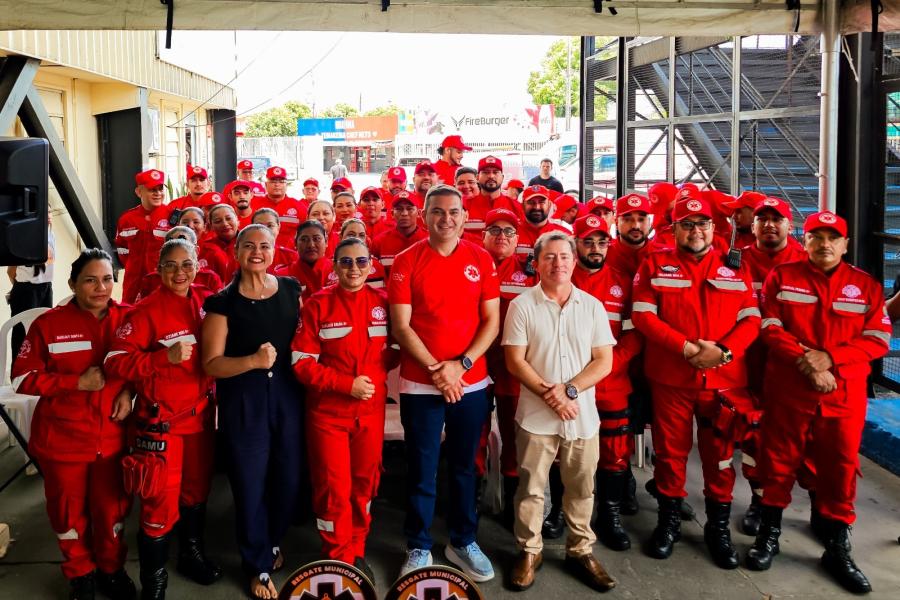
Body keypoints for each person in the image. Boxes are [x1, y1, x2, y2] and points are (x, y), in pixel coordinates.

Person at [746, 211, 890, 595]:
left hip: (842, 394)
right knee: (776, 461)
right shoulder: (783, 277)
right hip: (789, 389)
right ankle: (769, 535)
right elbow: (769, 326)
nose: (824, 244)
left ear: (845, 244)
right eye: (816, 237)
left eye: (833, 238)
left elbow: (878, 338)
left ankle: (838, 546)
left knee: (840, 466)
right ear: (804, 240)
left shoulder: (866, 287)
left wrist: (831, 358)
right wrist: (806, 362)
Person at [631, 194, 760, 569]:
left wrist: (724, 352)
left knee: (719, 458)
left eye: (702, 224)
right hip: (671, 378)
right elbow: (643, 316)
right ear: (673, 230)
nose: (696, 231)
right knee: (670, 454)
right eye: (687, 225)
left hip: (723, 381)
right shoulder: (654, 264)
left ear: (712, 228)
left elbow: (751, 319)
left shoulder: (734, 267)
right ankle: (668, 521)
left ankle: (717, 529)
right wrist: (687, 348)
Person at [388, 184, 500, 581]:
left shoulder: (481, 258)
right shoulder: (406, 260)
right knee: (423, 466)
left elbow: (491, 322)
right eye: (437, 211)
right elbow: (401, 326)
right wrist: (440, 368)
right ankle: (418, 545)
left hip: (470, 383)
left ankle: (463, 540)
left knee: (465, 466)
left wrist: (461, 365)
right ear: (424, 216)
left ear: (465, 216)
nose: (446, 219)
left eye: (454, 212)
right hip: (421, 383)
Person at [11, 249, 135, 600]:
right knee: (67, 515)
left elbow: (141, 366)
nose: (101, 287)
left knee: (112, 511)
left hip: (111, 439)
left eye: (108, 279)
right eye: (91, 280)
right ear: (72, 283)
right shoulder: (48, 324)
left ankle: (111, 569)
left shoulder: (129, 319)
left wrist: (129, 392)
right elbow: (21, 379)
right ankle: (80, 572)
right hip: (62, 441)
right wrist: (75, 383)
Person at [105, 239, 221, 599]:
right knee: (159, 503)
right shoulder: (145, 311)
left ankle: (190, 553)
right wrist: (159, 359)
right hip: (161, 425)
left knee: (196, 493)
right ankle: (154, 580)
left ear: (198, 266)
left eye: (186, 264)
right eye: (170, 265)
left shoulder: (208, 302)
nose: (179, 272)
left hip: (201, 421)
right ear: (158, 269)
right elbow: (114, 361)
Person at [503, 231, 616, 592]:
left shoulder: (593, 306)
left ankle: (580, 549)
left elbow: (604, 360)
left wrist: (568, 390)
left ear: (574, 260)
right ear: (536, 262)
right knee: (532, 488)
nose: (558, 263)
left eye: (564, 257)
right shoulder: (522, 306)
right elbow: (515, 361)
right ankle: (529, 550)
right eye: (549, 257)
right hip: (536, 416)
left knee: (582, 487)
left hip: (581, 416)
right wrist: (551, 395)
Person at [201, 225, 305, 600]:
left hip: (289, 398)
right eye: (249, 246)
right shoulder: (221, 303)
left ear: (275, 250)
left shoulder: (292, 290)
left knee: (289, 477)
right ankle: (256, 565)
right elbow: (211, 363)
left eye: (265, 246)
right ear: (237, 251)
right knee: (249, 482)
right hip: (244, 401)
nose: (257, 252)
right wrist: (252, 361)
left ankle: (272, 541)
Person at [291, 237, 399, 584]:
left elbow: (395, 349)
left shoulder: (383, 303)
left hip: (370, 415)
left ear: (371, 265)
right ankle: (337, 558)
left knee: (365, 485)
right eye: (346, 262)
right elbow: (301, 362)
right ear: (334, 266)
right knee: (332, 488)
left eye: (361, 261)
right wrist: (345, 384)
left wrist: (374, 380)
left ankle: (356, 548)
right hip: (327, 415)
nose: (354, 268)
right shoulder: (317, 305)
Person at [568, 215, 642, 552]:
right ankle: (560, 512)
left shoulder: (623, 281)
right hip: (568, 383)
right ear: (576, 244)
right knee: (565, 451)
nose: (595, 249)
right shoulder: (561, 278)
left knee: (614, 453)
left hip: (612, 382)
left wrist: (610, 364)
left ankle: (609, 516)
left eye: (601, 242)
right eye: (588, 242)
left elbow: (634, 332)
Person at [735, 197, 807, 537]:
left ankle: (824, 509)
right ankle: (760, 501)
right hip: (752, 363)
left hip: (796, 366)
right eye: (762, 218)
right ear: (752, 226)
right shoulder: (738, 262)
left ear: (789, 225)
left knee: (809, 440)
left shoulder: (807, 261)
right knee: (755, 436)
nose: (768, 224)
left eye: (776, 219)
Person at [480, 208, 537, 528]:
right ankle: (473, 493)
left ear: (518, 240)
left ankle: (515, 499)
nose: (502, 237)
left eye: (509, 232)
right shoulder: (470, 265)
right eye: (495, 230)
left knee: (515, 434)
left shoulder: (531, 272)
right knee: (474, 432)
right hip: (473, 364)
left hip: (514, 369)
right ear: (483, 235)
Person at [115, 169, 172, 304]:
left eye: (160, 189)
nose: (158, 194)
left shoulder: (173, 217)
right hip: (134, 284)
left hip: (162, 281)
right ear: (139, 192)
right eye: (152, 190)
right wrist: (134, 267)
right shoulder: (126, 219)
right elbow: (122, 250)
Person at [7, 214, 54, 362]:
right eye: (44, 212)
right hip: (26, 289)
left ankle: (39, 369)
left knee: (43, 331)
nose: (48, 216)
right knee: (22, 333)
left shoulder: (50, 234)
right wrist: (20, 289)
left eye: (50, 212)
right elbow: (10, 270)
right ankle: (17, 372)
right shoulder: (23, 236)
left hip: (46, 288)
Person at [135, 227, 223, 300]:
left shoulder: (209, 279)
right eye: (171, 245)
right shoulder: (151, 280)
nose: (179, 272)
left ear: (196, 250)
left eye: (184, 245)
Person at [465, 156, 522, 236]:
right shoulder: (465, 206)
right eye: (486, 172)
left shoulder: (517, 208)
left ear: (502, 177)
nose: (491, 176)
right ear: (477, 177)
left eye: (495, 172)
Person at [370, 192, 427, 272]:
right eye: (399, 209)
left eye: (409, 209)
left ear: (418, 213)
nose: (404, 213)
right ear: (392, 213)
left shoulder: (430, 240)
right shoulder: (379, 242)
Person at [275, 220, 332, 300]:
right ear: (295, 243)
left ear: (326, 242)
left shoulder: (338, 272)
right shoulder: (282, 275)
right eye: (304, 239)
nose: (311, 245)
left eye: (317, 239)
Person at [256, 166, 309, 249]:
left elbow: (307, 233)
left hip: (290, 257)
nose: (277, 185)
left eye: (281, 181)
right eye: (273, 181)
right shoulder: (254, 205)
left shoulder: (299, 207)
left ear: (286, 185)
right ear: (266, 184)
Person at [515, 186, 572, 259]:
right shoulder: (510, 233)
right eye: (531, 202)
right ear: (522, 205)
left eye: (542, 202)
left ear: (549, 205)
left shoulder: (565, 235)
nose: (537, 207)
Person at [177, 208, 231, 284]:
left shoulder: (214, 252)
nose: (190, 226)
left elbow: (227, 282)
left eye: (196, 222)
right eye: (185, 222)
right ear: (178, 226)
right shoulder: (171, 251)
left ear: (204, 227)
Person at [251, 208, 300, 273]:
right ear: (251, 228)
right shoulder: (244, 255)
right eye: (259, 225)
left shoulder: (291, 257)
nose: (265, 230)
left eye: (270, 225)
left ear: (278, 227)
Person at [206, 204, 240, 282]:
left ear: (237, 220)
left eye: (229, 218)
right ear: (211, 226)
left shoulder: (250, 242)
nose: (225, 224)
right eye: (218, 221)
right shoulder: (205, 248)